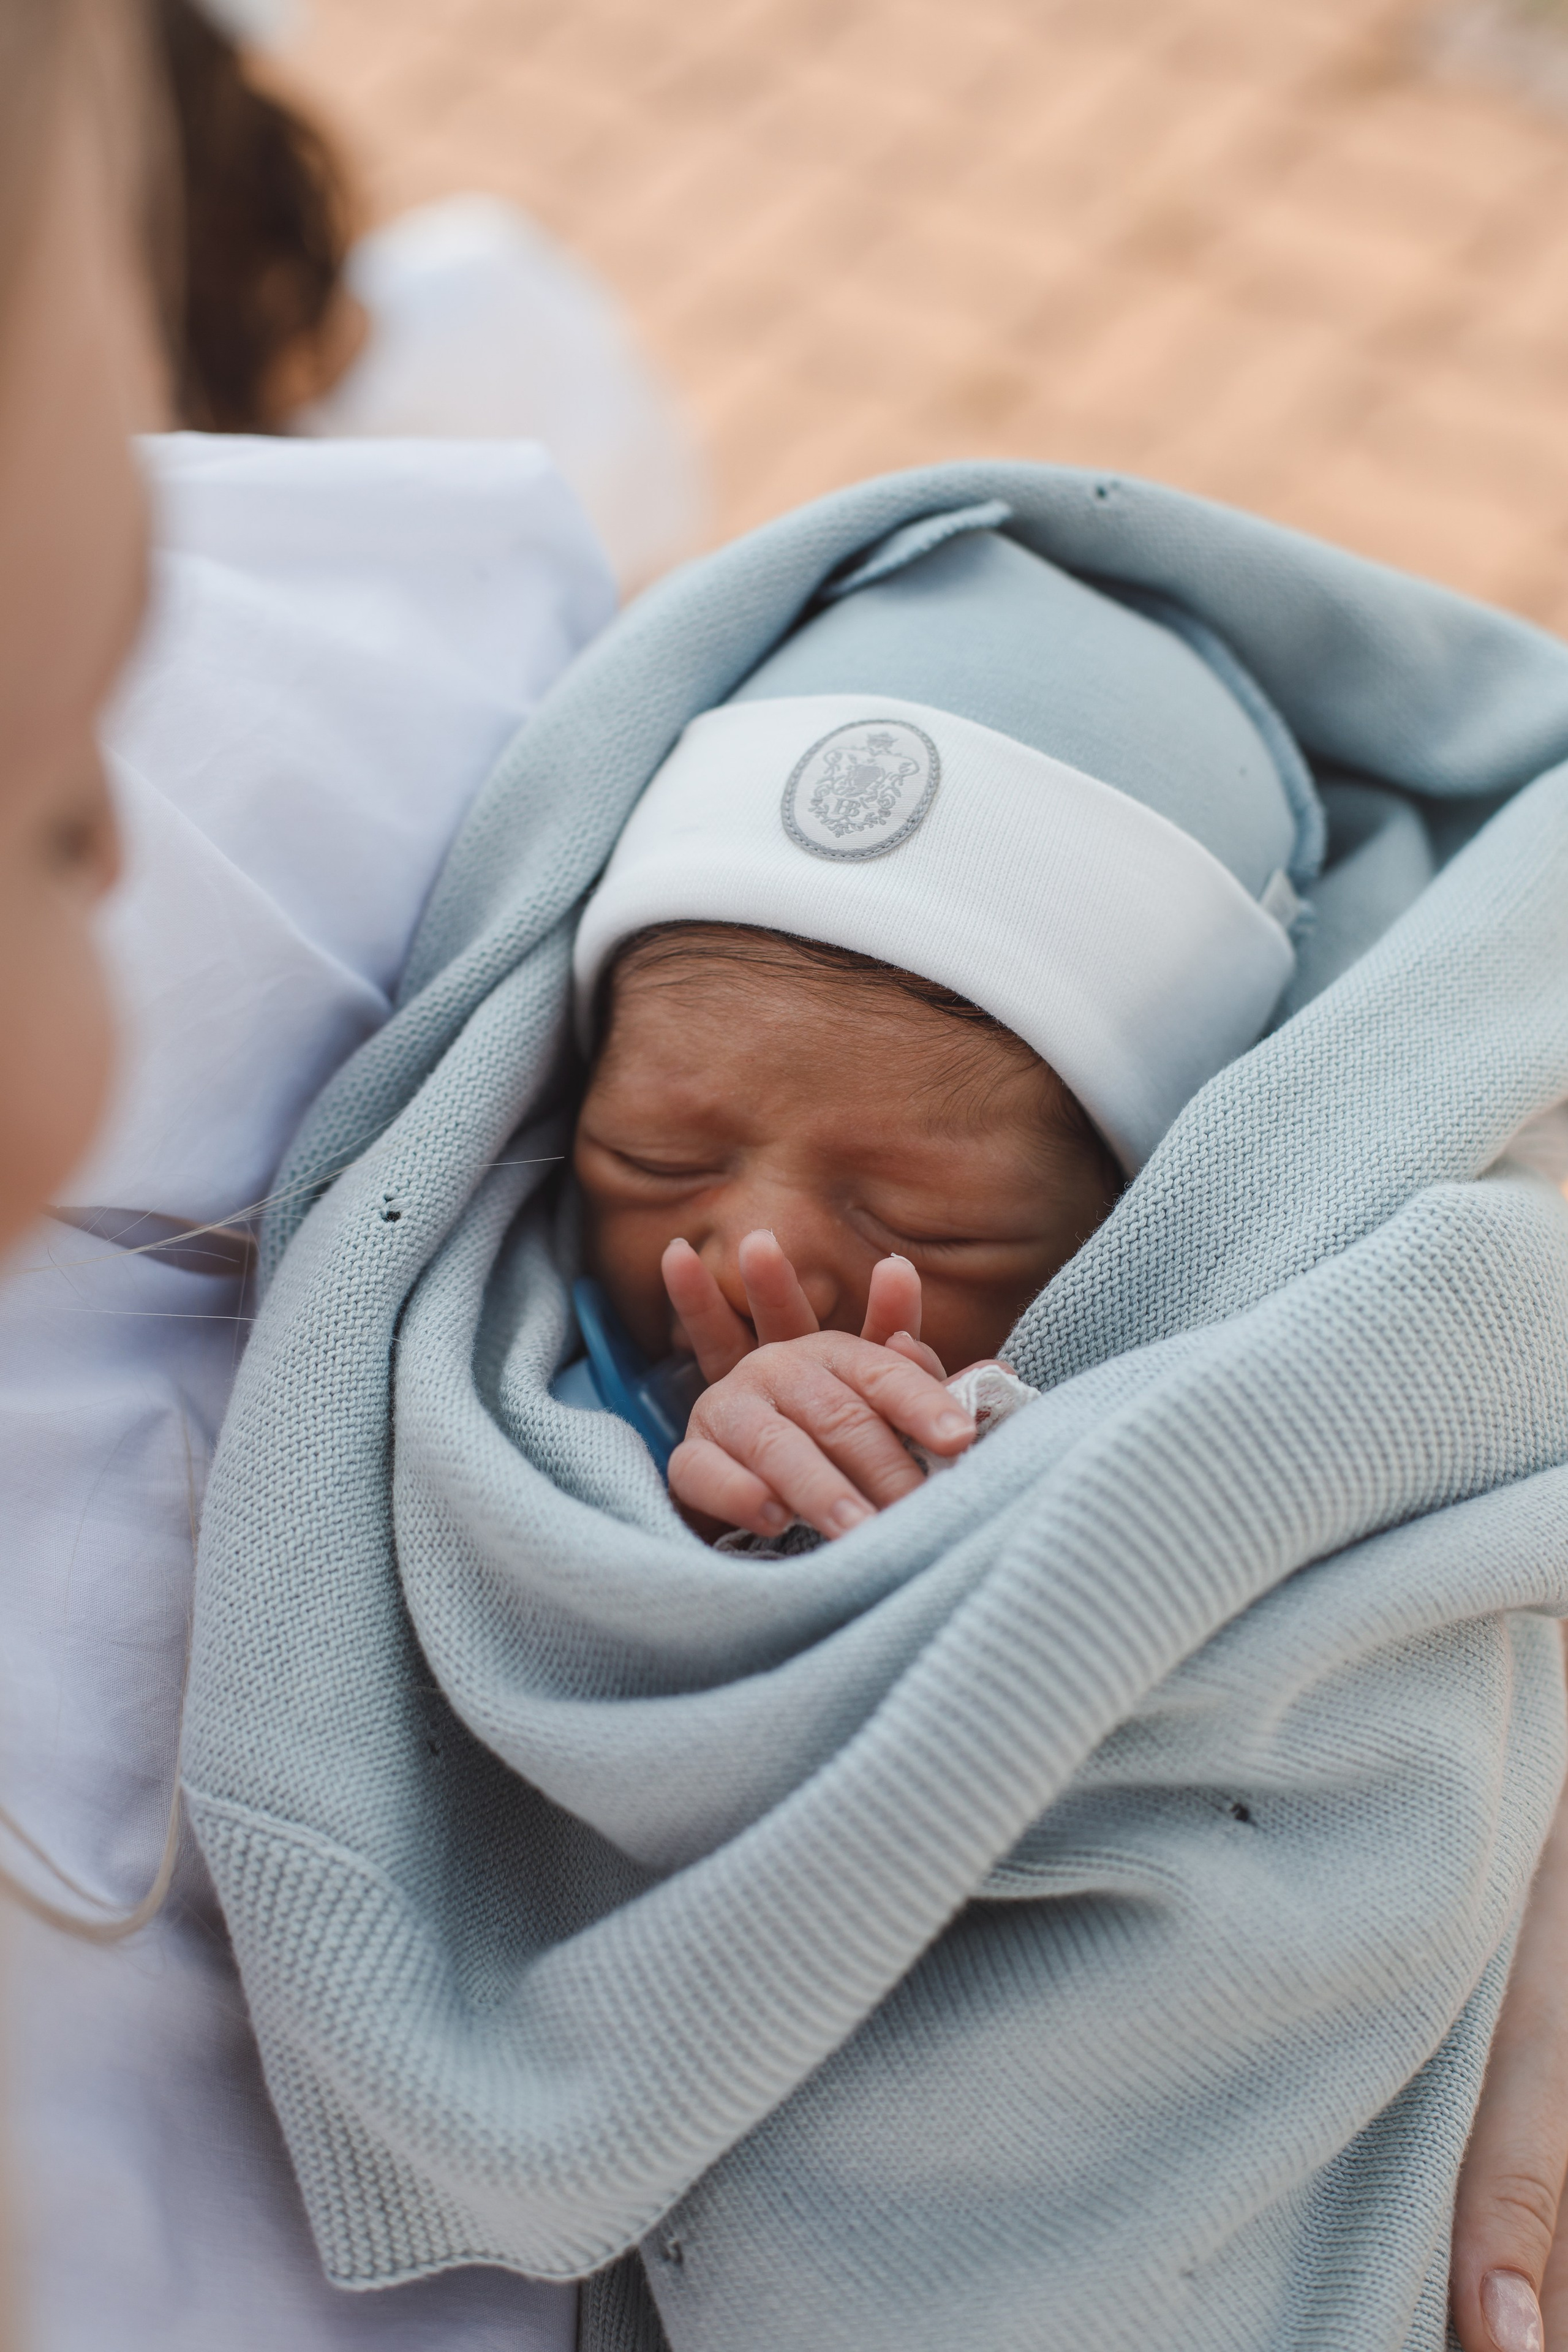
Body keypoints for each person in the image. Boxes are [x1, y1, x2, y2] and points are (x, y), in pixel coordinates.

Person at [183, 470, 1568, 2351]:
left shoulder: (1350, 1299)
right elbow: (613, 1678)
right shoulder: (522, 1359)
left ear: (1150, 1195)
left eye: (925, 1217)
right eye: (652, 1147)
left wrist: (999, 1456)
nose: (747, 1236)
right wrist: (712, 1494)